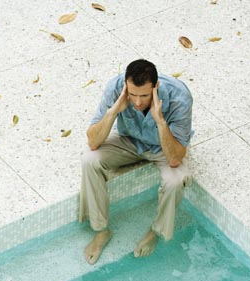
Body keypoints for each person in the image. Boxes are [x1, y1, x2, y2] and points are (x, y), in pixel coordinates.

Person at [80, 59, 193, 265]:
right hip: (130, 141)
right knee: (89, 159)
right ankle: (101, 231)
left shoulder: (180, 97)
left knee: (176, 180)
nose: (138, 102)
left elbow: (175, 158)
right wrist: (114, 111)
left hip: (163, 147)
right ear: (125, 86)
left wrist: (160, 120)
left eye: (144, 95)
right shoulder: (115, 88)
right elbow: (93, 141)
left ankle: (155, 232)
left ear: (155, 87)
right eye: (133, 95)